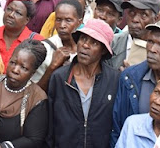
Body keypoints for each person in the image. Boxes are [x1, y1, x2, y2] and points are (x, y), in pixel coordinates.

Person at [46, 19, 119, 148]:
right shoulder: (60, 78)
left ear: (103, 50)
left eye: (94, 43)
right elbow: (49, 125)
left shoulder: (114, 80)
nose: (85, 45)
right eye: (83, 39)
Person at [0, 40, 49, 148]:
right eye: (13, 62)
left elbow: (33, 139)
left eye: (24, 68)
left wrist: (0, 147)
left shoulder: (37, 99)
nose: (15, 70)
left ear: (33, 73)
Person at [0, 0, 45, 70]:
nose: (11, 15)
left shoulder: (36, 41)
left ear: (27, 20)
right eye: (9, 9)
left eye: (18, 13)